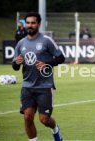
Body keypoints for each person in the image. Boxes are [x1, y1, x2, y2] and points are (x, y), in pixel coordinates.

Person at [12, 12, 65, 141]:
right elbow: (15, 66)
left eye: (33, 23)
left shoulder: (46, 40)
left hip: (44, 86)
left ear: (38, 24)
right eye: (28, 23)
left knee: (44, 119)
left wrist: (47, 64)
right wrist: (16, 63)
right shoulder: (21, 43)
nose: (30, 25)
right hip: (27, 87)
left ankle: (55, 129)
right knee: (27, 117)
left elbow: (61, 57)